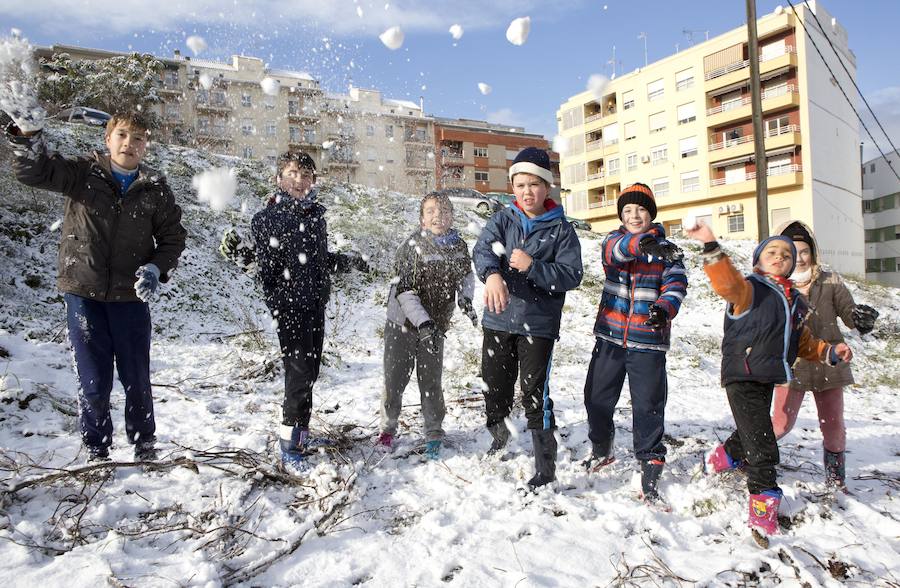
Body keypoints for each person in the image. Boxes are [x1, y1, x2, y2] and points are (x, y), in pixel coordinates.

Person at [5, 110, 187, 462]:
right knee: (93, 380)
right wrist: (27, 135)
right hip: (84, 294)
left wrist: (154, 267)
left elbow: (172, 238)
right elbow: (35, 171)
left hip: (131, 299)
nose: (128, 144)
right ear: (108, 139)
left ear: (146, 145)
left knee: (136, 378)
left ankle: (144, 443)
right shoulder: (83, 173)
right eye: (121, 135)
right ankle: (96, 448)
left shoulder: (155, 189)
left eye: (137, 138)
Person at [687, 221, 853, 541]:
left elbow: (804, 343)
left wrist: (830, 352)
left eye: (787, 255)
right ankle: (762, 511)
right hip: (743, 374)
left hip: (768, 376)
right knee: (763, 446)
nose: (780, 257)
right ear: (757, 261)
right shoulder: (749, 289)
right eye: (772, 252)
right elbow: (726, 284)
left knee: (754, 428)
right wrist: (711, 247)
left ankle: (721, 457)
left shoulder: (793, 302)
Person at [245, 151, 367, 473]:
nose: (300, 180)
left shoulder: (315, 216)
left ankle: (301, 434)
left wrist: (345, 261)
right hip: (291, 309)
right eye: (293, 172)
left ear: (314, 182)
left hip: (315, 305)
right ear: (279, 178)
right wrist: (281, 304)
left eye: (306, 175)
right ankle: (289, 445)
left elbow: (315, 260)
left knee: (310, 372)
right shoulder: (267, 219)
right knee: (298, 374)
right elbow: (269, 272)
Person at [472, 146, 583, 489]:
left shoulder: (562, 230)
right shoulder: (503, 219)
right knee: (494, 384)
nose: (526, 192)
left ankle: (545, 465)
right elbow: (483, 250)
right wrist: (491, 274)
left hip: (538, 324)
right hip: (498, 319)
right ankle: (499, 435)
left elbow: (571, 275)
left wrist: (534, 267)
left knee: (535, 391)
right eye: (519, 185)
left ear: (546, 187)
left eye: (533, 184)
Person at [582, 183, 687, 506]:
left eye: (640, 209)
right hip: (611, 337)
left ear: (651, 213)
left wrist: (663, 308)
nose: (634, 215)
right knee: (596, 399)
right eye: (628, 210)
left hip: (648, 342)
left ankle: (650, 462)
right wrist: (645, 244)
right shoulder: (615, 242)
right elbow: (615, 252)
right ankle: (602, 447)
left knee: (648, 405)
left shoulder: (669, 251)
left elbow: (676, 284)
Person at [771, 220, 878, 490]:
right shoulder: (774, 286)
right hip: (792, 365)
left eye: (805, 251)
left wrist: (860, 319)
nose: (800, 257)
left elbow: (849, 313)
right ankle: (750, 457)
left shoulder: (830, 280)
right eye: (792, 252)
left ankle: (836, 478)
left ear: (813, 253)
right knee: (781, 424)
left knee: (833, 426)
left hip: (830, 363)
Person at [377, 192, 477, 459]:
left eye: (444, 211)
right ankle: (388, 428)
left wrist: (465, 300)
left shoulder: (458, 246)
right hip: (403, 323)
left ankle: (433, 431)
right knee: (395, 378)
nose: (438, 216)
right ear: (422, 218)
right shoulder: (411, 246)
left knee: (431, 379)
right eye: (431, 211)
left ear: (452, 216)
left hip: (437, 323)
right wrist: (424, 324)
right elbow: (405, 291)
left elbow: (466, 275)